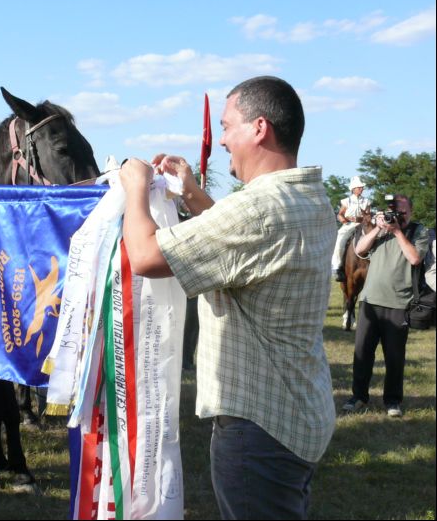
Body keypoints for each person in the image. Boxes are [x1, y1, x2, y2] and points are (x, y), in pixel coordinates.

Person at [120, 76, 336, 520]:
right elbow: (248, 244)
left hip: (258, 429)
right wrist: (192, 193)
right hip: (297, 412)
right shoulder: (308, 197)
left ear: (259, 128)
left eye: (226, 126)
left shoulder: (257, 209)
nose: (220, 141)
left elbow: (144, 255)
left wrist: (135, 186)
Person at [342, 195, 430, 418]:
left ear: (410, 212)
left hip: (399, 303)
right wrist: (377, 229)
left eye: (402, 212)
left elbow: (415, 259)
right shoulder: (380, 230)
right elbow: (360, 250)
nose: (398, 216)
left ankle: (392, 400)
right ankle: (358, 396)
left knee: (394, 356)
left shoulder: (419, 231)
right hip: (370, 301)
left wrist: (398, 232)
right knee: (362, 352)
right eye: (394, 212)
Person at [331, 176, 371, 282]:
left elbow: (368, 216)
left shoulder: (366, 201)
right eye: (359, 187)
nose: (362, 189)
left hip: (363, 225)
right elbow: (340, 214)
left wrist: (361, 219)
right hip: (349, 225)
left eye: (362, 187)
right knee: (339, 241)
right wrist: (344, 221)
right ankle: (337, 267)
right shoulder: (347, 201)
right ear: (353, 189)